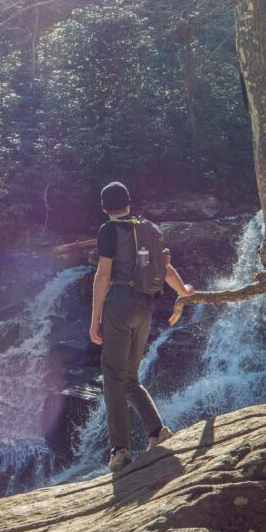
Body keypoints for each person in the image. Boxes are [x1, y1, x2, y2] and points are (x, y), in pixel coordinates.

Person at [89, 181, 196, 472]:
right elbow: (165, 267)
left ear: (104, 208)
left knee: (113, 377)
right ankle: (157, 432)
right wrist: (183, 291)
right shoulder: (149, 228)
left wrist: (95, 318)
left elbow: (103, 276)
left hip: (119, 305)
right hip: (145, 308)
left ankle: (121, 450)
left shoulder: (108, 230)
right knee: (130, 378)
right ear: (129, 203)